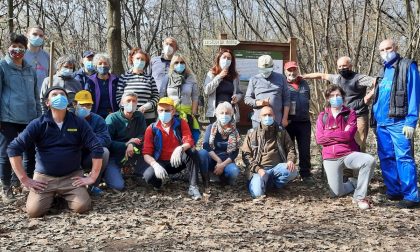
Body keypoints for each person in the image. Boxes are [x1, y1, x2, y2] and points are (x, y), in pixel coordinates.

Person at [7, 86, 103, 218]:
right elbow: (13, 148)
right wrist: (24, 179)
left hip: (72, 177)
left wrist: (92, 177)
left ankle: (63, 197)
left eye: (62, 94)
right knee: (34, 212)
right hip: (44, 178)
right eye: (54, 94)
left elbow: (96, 147)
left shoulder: (78, 123)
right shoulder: (38, 124)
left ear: (67, 101)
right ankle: (53, 197)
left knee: (82, 207)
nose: (59, 97)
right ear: (47, 102)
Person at [371, 39, 420, 208]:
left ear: (396, 48)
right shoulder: (382, 70)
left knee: (404, 158)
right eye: (382, 49)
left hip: (399, 122)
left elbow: (414, 94)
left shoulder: (407, 66)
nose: (385, 52)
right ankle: (394, 191)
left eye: (388, 48)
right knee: (386, 157)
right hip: (381, 123)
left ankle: (411, 196)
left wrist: (411, 121)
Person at [316, 85, 375, 210]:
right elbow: (319, 139)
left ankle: (359, 197)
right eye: (332, 96)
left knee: (369, 160)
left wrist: (329, 134)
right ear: (327, 98)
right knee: (336, 193)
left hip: (348, 154)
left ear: (342, 97)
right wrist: (339, 134)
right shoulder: (322, 116)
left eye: (338, 95)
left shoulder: (350, 113)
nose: (335, 98)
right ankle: (353, 183)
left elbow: (348, 136)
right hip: (330, 157)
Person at [303, 56, 375, 152]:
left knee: (359, 143)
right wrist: (303, 76)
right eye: (340, 66)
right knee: (344, 142)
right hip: (344, 116)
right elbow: (322, 75)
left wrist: (368, 96)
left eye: (344, 66)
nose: (342, 68)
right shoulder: (337, 78)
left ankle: (359, 164)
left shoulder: (359, 78)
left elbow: (378, 82)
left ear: (350, 65)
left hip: (359, 115)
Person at [0, 33, 41, 203]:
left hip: (29, 118)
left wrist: (39, 116)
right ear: (8, 48)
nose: (17, 50)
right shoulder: (2, 67)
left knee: (29, 152)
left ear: (25, 49)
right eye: (13, 46)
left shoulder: (30, 68)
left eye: (21, 47)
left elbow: (35, 95)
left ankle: (26, 184)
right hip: (8, 118)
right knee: (6, 152)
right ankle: (6, 187)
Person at [142, 97, 202, 200]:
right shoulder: (151, 128)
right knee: (148, 176)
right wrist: (155, 165)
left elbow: (189, 140)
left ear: (173, 111)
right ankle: (160, 183)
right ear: (157, 111)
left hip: (178, 160)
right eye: (161, 110)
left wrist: (180, 148)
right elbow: (146, 153)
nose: (164, 113)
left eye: (167, 110)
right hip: (161, 162)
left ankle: (193, 186)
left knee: (192, 151)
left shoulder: (181, 123)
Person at [242, 106, 298, 199]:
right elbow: (246, 155)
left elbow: (290, 148)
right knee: (257, 194)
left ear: (274, 116)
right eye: (264, 115)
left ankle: (272, 185)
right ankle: (262, 183)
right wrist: (258, 169)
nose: (267, 117)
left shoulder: (281, 131)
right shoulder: (252, 133)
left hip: (276, 168)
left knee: (292, 171)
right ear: (260, 117)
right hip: (259, 170)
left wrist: (290, 160)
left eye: (269, 115)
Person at [104, 92, 147, 191]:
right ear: (122, 103)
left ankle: (136, 172)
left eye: (134, 101)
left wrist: (131, 144)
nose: (131, 103)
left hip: (133, 152)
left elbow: (142, 135)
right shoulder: (112, 118)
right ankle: (106, 173)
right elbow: (107, 141)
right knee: (118, 186)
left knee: (148, 178)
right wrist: (125, 144)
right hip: (114, 156)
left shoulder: (139, 116)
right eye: (128, 101)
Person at [74, 90, 111, 196]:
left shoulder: (98, 119)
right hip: (72, 156)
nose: (85, 107)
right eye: (82, 105)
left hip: (89, 155)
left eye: (88, 105)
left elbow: (106, 139)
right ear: (74, 104)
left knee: (104, 152)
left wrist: (88, 143)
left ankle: (94, 185)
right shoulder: (68, 118)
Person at [160, 53, 200, 143]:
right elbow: (162, 96)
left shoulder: (191, 78)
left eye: (182, 62)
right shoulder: (167, 78)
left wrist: (193, 113)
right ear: (172, 64)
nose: (179, 64)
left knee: (187, 141)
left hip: (187, 115)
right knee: (172, 141)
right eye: (176, 62)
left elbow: (195, 96)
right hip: (170, 114)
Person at [198, 102, 241, 186]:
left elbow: (235, 153)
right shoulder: (211, 127)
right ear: (217, 115)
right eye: (222, 113)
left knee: (234, 171)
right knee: (201, 153)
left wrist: (222, 165)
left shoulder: (235, 131)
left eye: (227, 113)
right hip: (212, 158)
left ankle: (226, 179)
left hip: (227, 161)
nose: (224, 115)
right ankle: (206, 177)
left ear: (231, 114)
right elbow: (206, 146)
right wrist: (218, 160)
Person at [284, 61, 313, 183]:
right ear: (285, 72)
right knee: (289, 149)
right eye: (289, 70)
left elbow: (309, 99)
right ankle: (288, 173)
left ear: (297, 70)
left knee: (304, 149)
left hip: (304, 122)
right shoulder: (283, 84)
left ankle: (305, 173)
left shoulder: (304, 83)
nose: (292, 72)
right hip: (289, 122)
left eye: (294, 70)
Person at [245, 55, 290, 128]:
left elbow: (287, 100)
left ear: (272, 66)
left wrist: (285, 118)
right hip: (258, 121)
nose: (265, 72)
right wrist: (258, 102)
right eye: (263, 69)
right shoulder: (254, 79)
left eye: (267, 69)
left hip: (277, 121)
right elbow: (247, 99)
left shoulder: (281, 78)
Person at [116, 48, 159, 125]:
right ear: (132, 59)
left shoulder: (150, 78)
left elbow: (156, 96)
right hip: (129, 117)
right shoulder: (124, 77)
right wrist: (128, 110)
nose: (140, 61)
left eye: (142, 59)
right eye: (138, 58)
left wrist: (147, 106)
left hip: (148, 117)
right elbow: (119, 97)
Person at [204, 49, 243, 123]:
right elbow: (207, 90)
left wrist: (237, 97)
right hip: (215, 112)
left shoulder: (235, 76)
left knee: (230, 134)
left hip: (230, 112)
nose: (226, 60)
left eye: (229, 58)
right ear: (219, 59)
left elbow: (240, 93)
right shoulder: (211, 73)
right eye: (224, 57)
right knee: (215, 133)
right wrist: (219, 77)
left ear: (232, 61)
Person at [85, 53, 119, 119]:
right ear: (95, 66)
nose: (103, 66)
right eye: (100, 63)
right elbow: (87, 99)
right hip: (95, 115)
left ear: (109, 65)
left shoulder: (115, 80)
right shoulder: (90, 81)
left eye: (105, 63)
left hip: (113, 115)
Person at [24, 26, 50, 93]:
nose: (38, 37)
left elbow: (51, 76)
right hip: (23, 97)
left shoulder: (47, 56)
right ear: (27, 35)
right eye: (35, 34)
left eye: (41, 35)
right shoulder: (21, 54)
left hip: (42, 97)